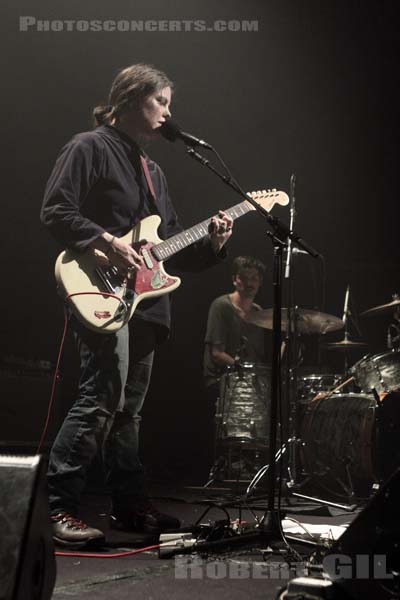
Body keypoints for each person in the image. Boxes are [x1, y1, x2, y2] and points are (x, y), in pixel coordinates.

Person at [40, 63, 233, 548]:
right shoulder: (88, 147)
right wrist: (105, 240)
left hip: (145, 305)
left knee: (129, 411)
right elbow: (56, 210)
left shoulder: (154, 170)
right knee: (100, 397)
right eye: (160, 101)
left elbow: (168, 248)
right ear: (128, 100)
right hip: (97, 288)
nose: (168, 112)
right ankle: (55, 506)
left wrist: (212, 243)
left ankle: (128, 506)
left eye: (169, 103)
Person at [203, 256, 267, 475]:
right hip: (221, 379)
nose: (250, 283)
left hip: (248, 381)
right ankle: (230, 463)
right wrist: (240, 367)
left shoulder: (260, 313)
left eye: (255, 279)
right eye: (245, 278)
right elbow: (216, 352)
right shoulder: (221, 306)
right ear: (234, 280)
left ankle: (252, 463)